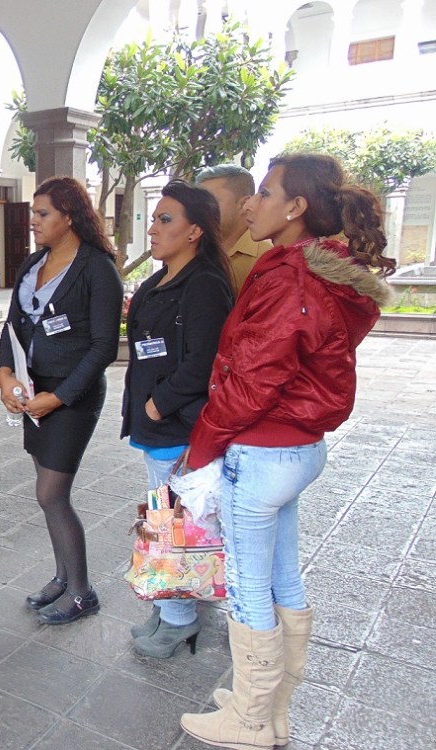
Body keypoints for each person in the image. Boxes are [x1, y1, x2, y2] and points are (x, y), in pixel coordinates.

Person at [179, 153, 393, 750]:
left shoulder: (290, 277)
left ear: (296, 208)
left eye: (267, 192)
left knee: (249, 586)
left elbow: (254, 381)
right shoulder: (323, 273)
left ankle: (249, 720)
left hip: (264, 449)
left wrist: (202, 448)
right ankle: (272, 711)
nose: (254, 202)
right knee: (280, 579)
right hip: (296, 449)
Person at [0, 177, 123, 624]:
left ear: (69, 216)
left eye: (42, 214)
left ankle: (83, 591)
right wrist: (6, 373)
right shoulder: (34, 263)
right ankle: (62, 576)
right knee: (46, 492)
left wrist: (61, 396)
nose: (33, 222)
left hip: (72, 395)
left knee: (52, 493)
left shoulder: (97, 269)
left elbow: (104, 347)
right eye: (34, 214)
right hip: (34, 390)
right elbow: (12, 326)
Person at [120, 180, 233, 657]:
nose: (153, 227)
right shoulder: (160, 276)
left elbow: (203, 362)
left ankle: (180, 618)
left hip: (177, 422)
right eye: (154, 217)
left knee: (177, 525)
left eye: (166, 219)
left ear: (195, 232)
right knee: (164, 519)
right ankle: (166, 606)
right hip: (154, 422)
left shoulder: (204, 284)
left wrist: (158, 402)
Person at [196, 165, 271, 297]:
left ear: (244, 204)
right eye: (198, 202)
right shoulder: (190, 250)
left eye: (209, 201)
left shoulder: (267, 258)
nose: (199, 209)